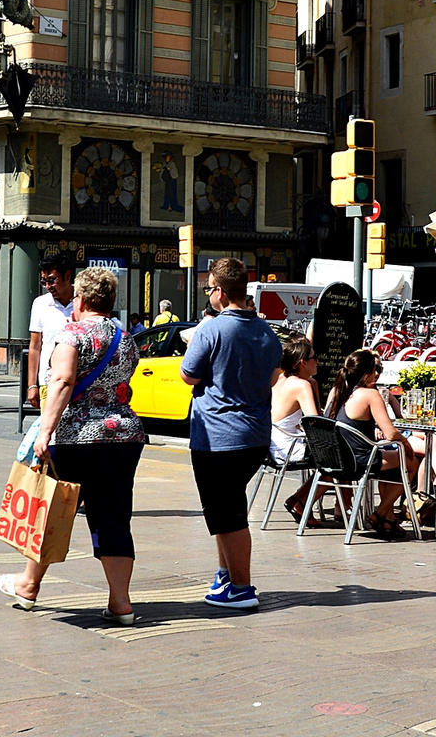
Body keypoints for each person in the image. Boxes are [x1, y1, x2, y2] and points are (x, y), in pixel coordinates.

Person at [0, 265, 146, 623]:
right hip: (124, 435)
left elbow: (63, 380)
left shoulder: (72, 332)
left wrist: (44, 432)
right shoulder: (124, 337)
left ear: (79, 298)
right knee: (113, 516)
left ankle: (28, 586)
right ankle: (120, 602)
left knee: (51, 511)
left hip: (76, 437)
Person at [179, 257, 282, 609]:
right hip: (254, 434)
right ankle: (225, 575)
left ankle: (241, 587)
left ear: (220, 292)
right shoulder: (267, 332)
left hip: (218, 434)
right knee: (226, 508)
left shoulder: (211, 328)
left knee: (230, 513)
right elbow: (272, 378)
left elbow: (189, 375)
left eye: (209, 289)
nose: (209, 295)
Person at [326, 349, 424, 536]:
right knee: (411, 462)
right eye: (377, 368)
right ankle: (380, 513)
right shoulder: (370, 394)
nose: (378, 373)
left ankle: (389, 519)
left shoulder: (343, 391)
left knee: (395, 466)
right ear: (368, 372)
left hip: (340, 458)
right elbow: (391, 433)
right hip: (360, 460)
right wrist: (406, 443)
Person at [269, 332, 320, 524]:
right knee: (340, 461)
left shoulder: (279, 378)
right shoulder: (301, 385)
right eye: (314, 358)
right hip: (288, 447)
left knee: (335, 459)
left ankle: (300, 500)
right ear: (302, 363)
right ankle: (301, 500)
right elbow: (314, 421)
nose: (318, 361)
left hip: (273, 443)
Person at [26, 251, 74, 413]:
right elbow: (35, 346)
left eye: (52, 280)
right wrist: (32, 384)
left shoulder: (83, 302)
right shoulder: (40, 304)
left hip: (78, 380)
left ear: (67, 276)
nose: (48, 286)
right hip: (49, 380)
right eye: (44, 281)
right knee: (50, 432)